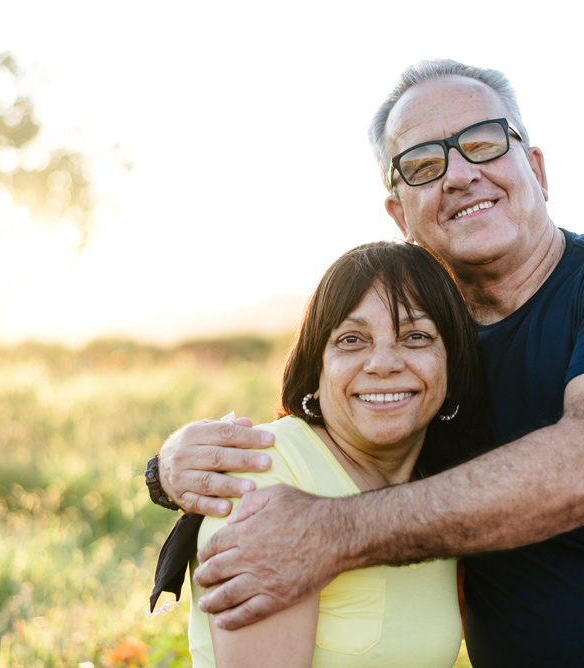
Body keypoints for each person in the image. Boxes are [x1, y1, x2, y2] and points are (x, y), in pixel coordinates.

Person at [149, 60, 584, 667]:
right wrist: (170, 469)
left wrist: (328, 533)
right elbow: (337, 434)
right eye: (422, 164)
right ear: (400, 214)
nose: (458, 174)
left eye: (483, 143)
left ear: (537, 169)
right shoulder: (430, 352)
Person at [172, 240, 489, 666]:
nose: (383, 363)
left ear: (452, 365)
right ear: (316, 371)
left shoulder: (442, 491)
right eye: (352, 339)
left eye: (416, 336)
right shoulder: (265, 476)